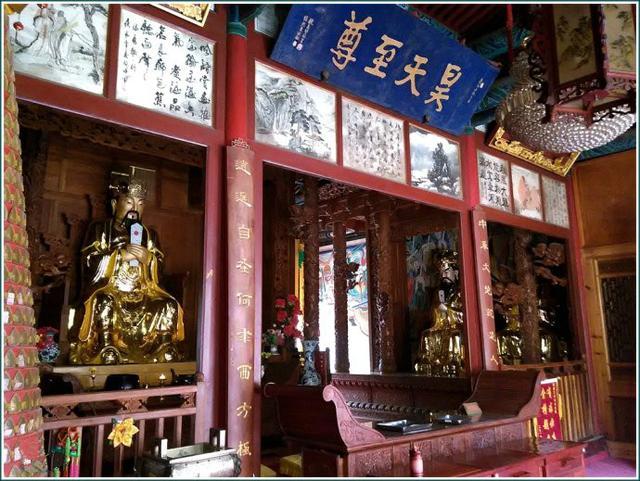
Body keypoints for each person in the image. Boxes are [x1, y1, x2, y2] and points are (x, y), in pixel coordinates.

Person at [69, 179, 184, 364]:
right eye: (129, 202)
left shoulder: (150, 234)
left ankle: (163, 346)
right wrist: (120, 256)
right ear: (115, 204)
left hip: (142, 290)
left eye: (140, 204)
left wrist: (149, 259)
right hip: (111, 288)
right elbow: (88, 260)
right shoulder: (100, 229)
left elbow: (160, 267)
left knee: (167, 304)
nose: (135, 208)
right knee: (103, 301)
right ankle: (106, 345)